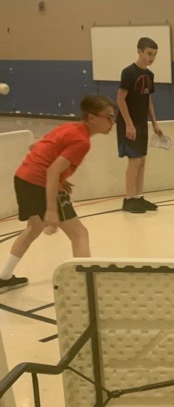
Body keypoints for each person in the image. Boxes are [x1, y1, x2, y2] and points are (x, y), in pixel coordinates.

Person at [0, 95, 116, 294]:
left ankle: (3, 278)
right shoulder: (81, 141)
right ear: (91, 118)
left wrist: (62, 178)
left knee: (33, 228)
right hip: (38, 183)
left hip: (23, 177)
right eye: (108, 118)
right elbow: (52, 171)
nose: (112, 123)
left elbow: (35, 148)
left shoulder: (69, 128)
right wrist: (52, 209)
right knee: (79, 234)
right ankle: (85, 286)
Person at [116, 37, 163, 214]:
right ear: (139, 52)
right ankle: (128, 200)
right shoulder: (128, 72)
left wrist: (155, 123)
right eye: (149, 54)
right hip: (129, 123)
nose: (151, 58)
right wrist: (128, 124)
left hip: (142, 123)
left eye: (155, 55)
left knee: (142, 160)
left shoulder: (150, 75)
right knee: (134, 160)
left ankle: (138, 197)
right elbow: (120, 99)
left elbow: (148, 100)